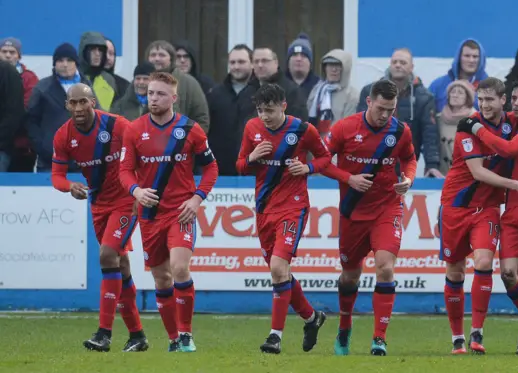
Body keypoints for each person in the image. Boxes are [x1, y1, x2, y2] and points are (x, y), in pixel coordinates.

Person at [439, 77, 518, 355]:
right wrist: (516, 185)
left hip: (490, 208)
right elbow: (478, 173)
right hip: (457, 205)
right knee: (458, 271)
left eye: (491, 99)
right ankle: (458, 338)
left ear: (502, 101)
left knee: (484, 262)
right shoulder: (468, 127)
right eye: (481, 100)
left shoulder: (515, 122)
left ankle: (478, 334)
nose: (485, 105)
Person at [119, 72, 219, 352]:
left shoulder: (190, 129)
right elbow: (125, 170)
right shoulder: (135, 130)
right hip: (150, 215)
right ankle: (174, 338)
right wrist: (137, 192)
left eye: (160, 94)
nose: (154, 98)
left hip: (181, 212)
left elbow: (211, 168)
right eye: (150, 93)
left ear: (173, 98)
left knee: (179, 268)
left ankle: (186, 335)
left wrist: (197, 199)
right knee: (161, 278)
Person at [321, 79, 417, 356]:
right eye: (381, 108)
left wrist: (408, 179)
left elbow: (410, 159)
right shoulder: (344, 128)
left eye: (391, 109)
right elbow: (322, 161)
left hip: (387, 207)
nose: (386, 115)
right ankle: (344, 328)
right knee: (350, 276)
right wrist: (348, 178)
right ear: (369, 102)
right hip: (353, 212)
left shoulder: (400, 131)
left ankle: (379, 338)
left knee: (385, 268)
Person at [236, 83, 332, 354]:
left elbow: (325, 157)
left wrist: (309, 167)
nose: (264, 116)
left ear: (283, 106)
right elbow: (241, 166)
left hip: (293, 207)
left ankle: (275, 336)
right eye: (260, 110)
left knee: (278, 267)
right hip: (264, 209)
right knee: (281, 272)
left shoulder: (303, 131)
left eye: (270, 110)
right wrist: (253, 157)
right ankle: (312, 318)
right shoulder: (251, 129)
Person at [50, 83, 147, 352]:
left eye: (84, 102)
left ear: (93, 102)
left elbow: (144, 156)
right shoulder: (62, 136)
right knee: (121, 266)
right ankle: (137, 336)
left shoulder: (118, 126)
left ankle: (104, 334)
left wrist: (140, 191)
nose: (79, 108)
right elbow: (56, 176)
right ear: (67, 105)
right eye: (73, 103)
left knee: (106, 256)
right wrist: (70, 186)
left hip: (126, 201)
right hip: (99, 204)